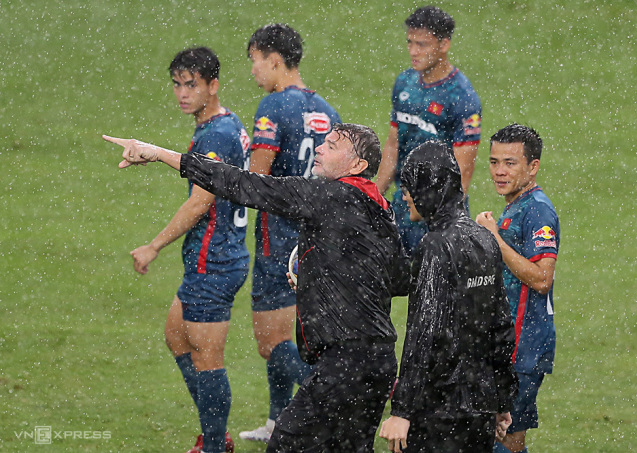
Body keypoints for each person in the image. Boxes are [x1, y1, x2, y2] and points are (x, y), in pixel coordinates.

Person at [104, 122, 410, 452]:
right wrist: (321, 276)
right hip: (379, 362)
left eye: (332, 146)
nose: (320, 148)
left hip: (343, 363)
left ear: (357, 166)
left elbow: (243, 185)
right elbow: (397, 279)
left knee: (284, 445)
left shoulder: (327, 196)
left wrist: (159, 153)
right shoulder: (382, 207)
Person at [123, 47, 250, 453]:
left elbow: (200, 201)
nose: (182, 93)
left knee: (207, 359)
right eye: (177, 84)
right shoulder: (224, 124)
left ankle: (214, 444)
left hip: (216, 259)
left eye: (191, 85)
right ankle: (216, 434)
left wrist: (153, 246)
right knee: (176, 335)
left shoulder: (216, 134)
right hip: (213, 255)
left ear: (213, 86)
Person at [378, 141, 517, 452]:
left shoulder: (435, 245)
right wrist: (500, 399)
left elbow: (423, 333)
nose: (404, 195)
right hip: (479, 407)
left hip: (438, 410)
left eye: (410, 186)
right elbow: (501, 328)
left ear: (429, 189)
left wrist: (402, 411)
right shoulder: (484, 239)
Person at [240, 23, 341, 443]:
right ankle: (277, 420)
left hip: (277, 241)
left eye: (255, 61)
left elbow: (256, 182)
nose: (253, 72)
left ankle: (335, 400)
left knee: (271, 343)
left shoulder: (273, 108)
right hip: (316, 240)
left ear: (274, 60)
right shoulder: (329, 112)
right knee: (293, 333)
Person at [475, 124, 559, 453]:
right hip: (510, 344)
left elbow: (541, 278)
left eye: (510, 163)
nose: (499, 171)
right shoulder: (516, 205)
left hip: (523, 347)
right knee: (509, 440)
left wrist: (493, 238)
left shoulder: (537, 210)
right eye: (494, 162)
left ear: (532, 166)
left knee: (498, 439)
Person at [375, 5, 482, 255]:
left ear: (444, 44)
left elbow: (463, 169)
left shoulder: (462, 97)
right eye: (410, 42)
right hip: (403, 205)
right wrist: (375, 196)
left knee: (438, 289)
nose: (413, 51)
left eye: (421, 44)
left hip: (439, 215)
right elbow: (393, 144)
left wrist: (441, 220)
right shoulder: (404, 83)